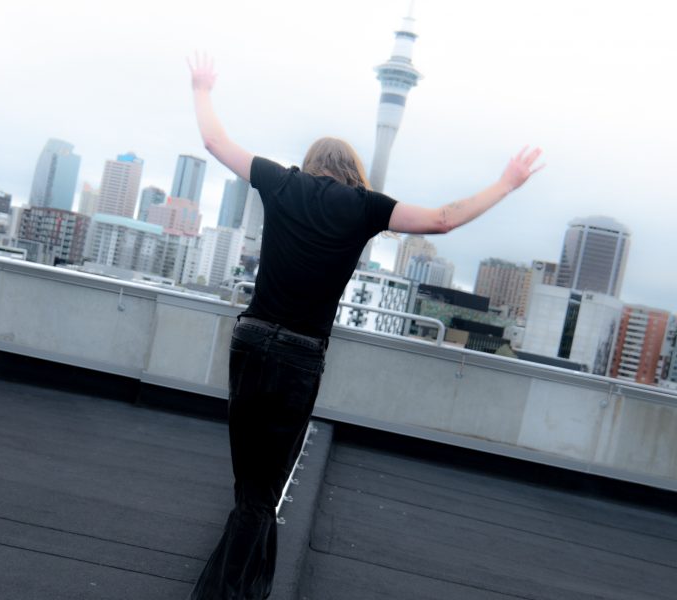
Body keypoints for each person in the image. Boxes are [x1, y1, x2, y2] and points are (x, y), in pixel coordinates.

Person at [186, 52, 543, 599]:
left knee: (249, 482)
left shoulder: (280, 182)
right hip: (299, 355)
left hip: (251, 341)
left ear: (311, 164)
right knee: (263, 490)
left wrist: (202, 87)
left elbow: (214, 141)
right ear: (352, 170)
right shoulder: (364, 206)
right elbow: (443, 220)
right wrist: (507, 183)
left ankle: (244, 583)